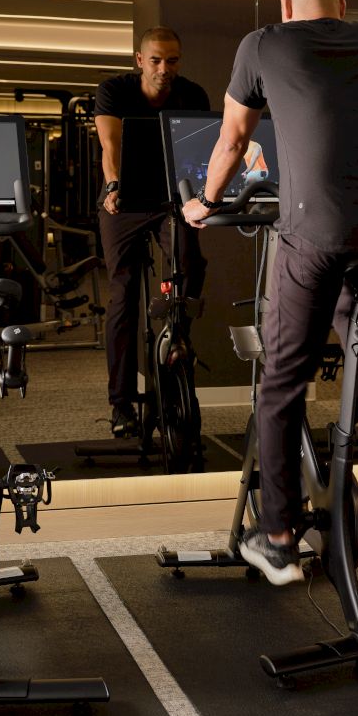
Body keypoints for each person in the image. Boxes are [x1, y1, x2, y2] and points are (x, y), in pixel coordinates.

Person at [183, 0, 358, 585]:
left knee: (282, 380)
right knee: (355, 315)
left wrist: (205, 203)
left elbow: (234, 140)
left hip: (316, 223)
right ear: (343, 5)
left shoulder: (263, 43)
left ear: (285, 9)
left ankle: (278, 538)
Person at [96, 27, 209, 437]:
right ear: (140, 60)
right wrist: (112, 185)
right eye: (157, 60)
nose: (165, 68)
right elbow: (111, 144)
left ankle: (177, 334)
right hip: (124, 199)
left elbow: (199, 151)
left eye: (173, 60)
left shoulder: (192, 95)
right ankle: (121, 404)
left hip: (170, 199)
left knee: (189, 262)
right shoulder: (114, 90)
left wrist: (203, 197)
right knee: (122, 295)